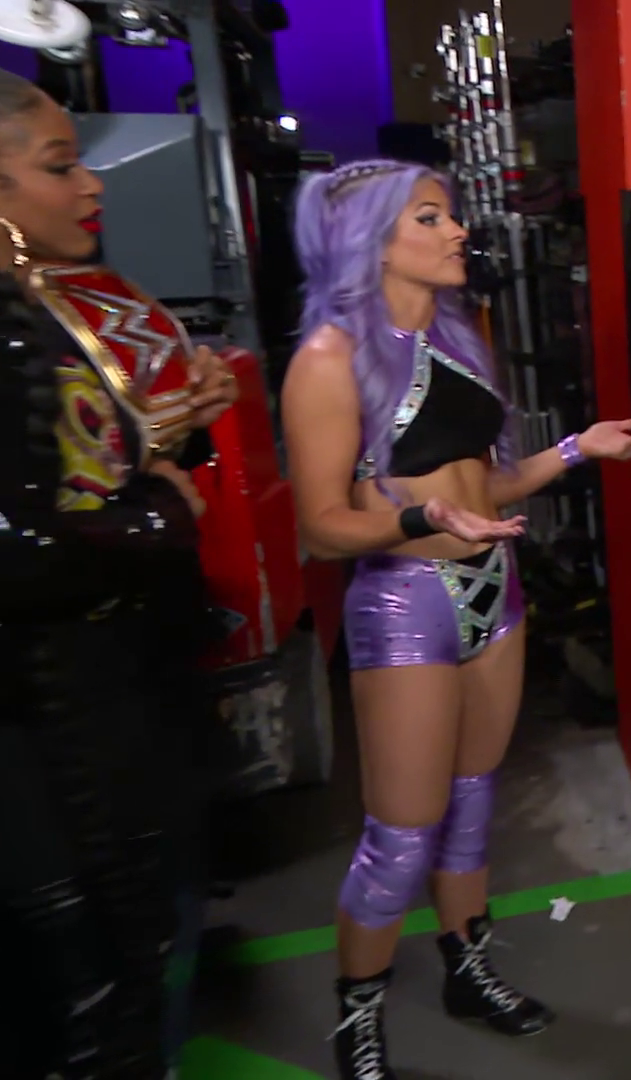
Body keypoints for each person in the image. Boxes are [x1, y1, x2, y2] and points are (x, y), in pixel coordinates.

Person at [281, 159, 631, 1079]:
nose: (458, 231)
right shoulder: (330, 358)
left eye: (450, 215)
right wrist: (417, 520)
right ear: (371, 239)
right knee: (401, 834)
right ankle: (358, 1020)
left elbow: (486, 488)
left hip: (496, 592)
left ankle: (469, 972)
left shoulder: (457, 340)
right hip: (404, 602)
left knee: (471, 804)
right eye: (430, 217)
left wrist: (577, 449)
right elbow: (321, 525)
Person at [0, 69, 239, 1077]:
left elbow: (93, 469)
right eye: (61, 166)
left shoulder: (55, 305)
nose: (92, 183)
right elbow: (29, 541)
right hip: (49, 721)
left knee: (138, 953)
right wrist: (163, 506)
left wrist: (179, 430)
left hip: (114, 687)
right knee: (90, 987)